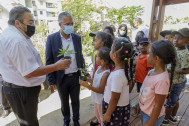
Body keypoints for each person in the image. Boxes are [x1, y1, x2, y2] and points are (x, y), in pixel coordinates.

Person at [0, 6, 71, 126]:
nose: (33, 25)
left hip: (16, 88)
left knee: (28, 121)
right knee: (30, 123)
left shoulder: (10, 34)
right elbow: (29, 72)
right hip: (21, 91)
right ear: (17, 23)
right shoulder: (17, 41)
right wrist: (56, 66)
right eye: (30, 22)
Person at [46, 12, 84, 126]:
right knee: (64, 102)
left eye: (71, 23)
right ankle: (66, 121)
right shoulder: (52, 38)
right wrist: (51, 80)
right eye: (67, 24)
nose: (70, 26)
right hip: (61, 78)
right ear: (60, 25)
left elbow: (80, 56)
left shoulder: (77, 38)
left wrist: (83, 73)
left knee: (76, 101)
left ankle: (76, 120)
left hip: (75, 76)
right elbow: (49, 59)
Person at [139, 40, 176, 126]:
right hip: (145, 111)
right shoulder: (152, 71)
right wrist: (140, 105)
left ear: (157, 58)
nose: (147, 56)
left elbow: (158, 106)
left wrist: (150, 123)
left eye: (149, 53)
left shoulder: (162, 80)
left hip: (151, 117)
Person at [103, 38, 134, 126]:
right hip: (119, 108)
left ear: (114, 55)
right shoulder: (124, 70)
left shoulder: (117, 75)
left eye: (111, 49)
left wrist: (108, 114)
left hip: (115, 110)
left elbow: (115, 98)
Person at [162, 28, 189, 125]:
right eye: (175, 38)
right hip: (172, 80)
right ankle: (172, 116)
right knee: (175, 99)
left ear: (187, 41)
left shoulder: (185, 54)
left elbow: (187, 70)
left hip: (177, 82)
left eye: (179, 38)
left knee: (170, 101)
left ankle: (165, 120)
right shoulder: (176, 49)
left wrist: (171, 70)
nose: (175, 41)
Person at [80, 47, 111, 126]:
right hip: (96, 98)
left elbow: (100, 90)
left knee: (101, 116)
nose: (95, 57)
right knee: (96, 113)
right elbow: (95, 81)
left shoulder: (106, 74)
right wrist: (87, 80)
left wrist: (87, 86)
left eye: (97, 56)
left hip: (101, 99)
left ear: (103, 61)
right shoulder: (99, 68)